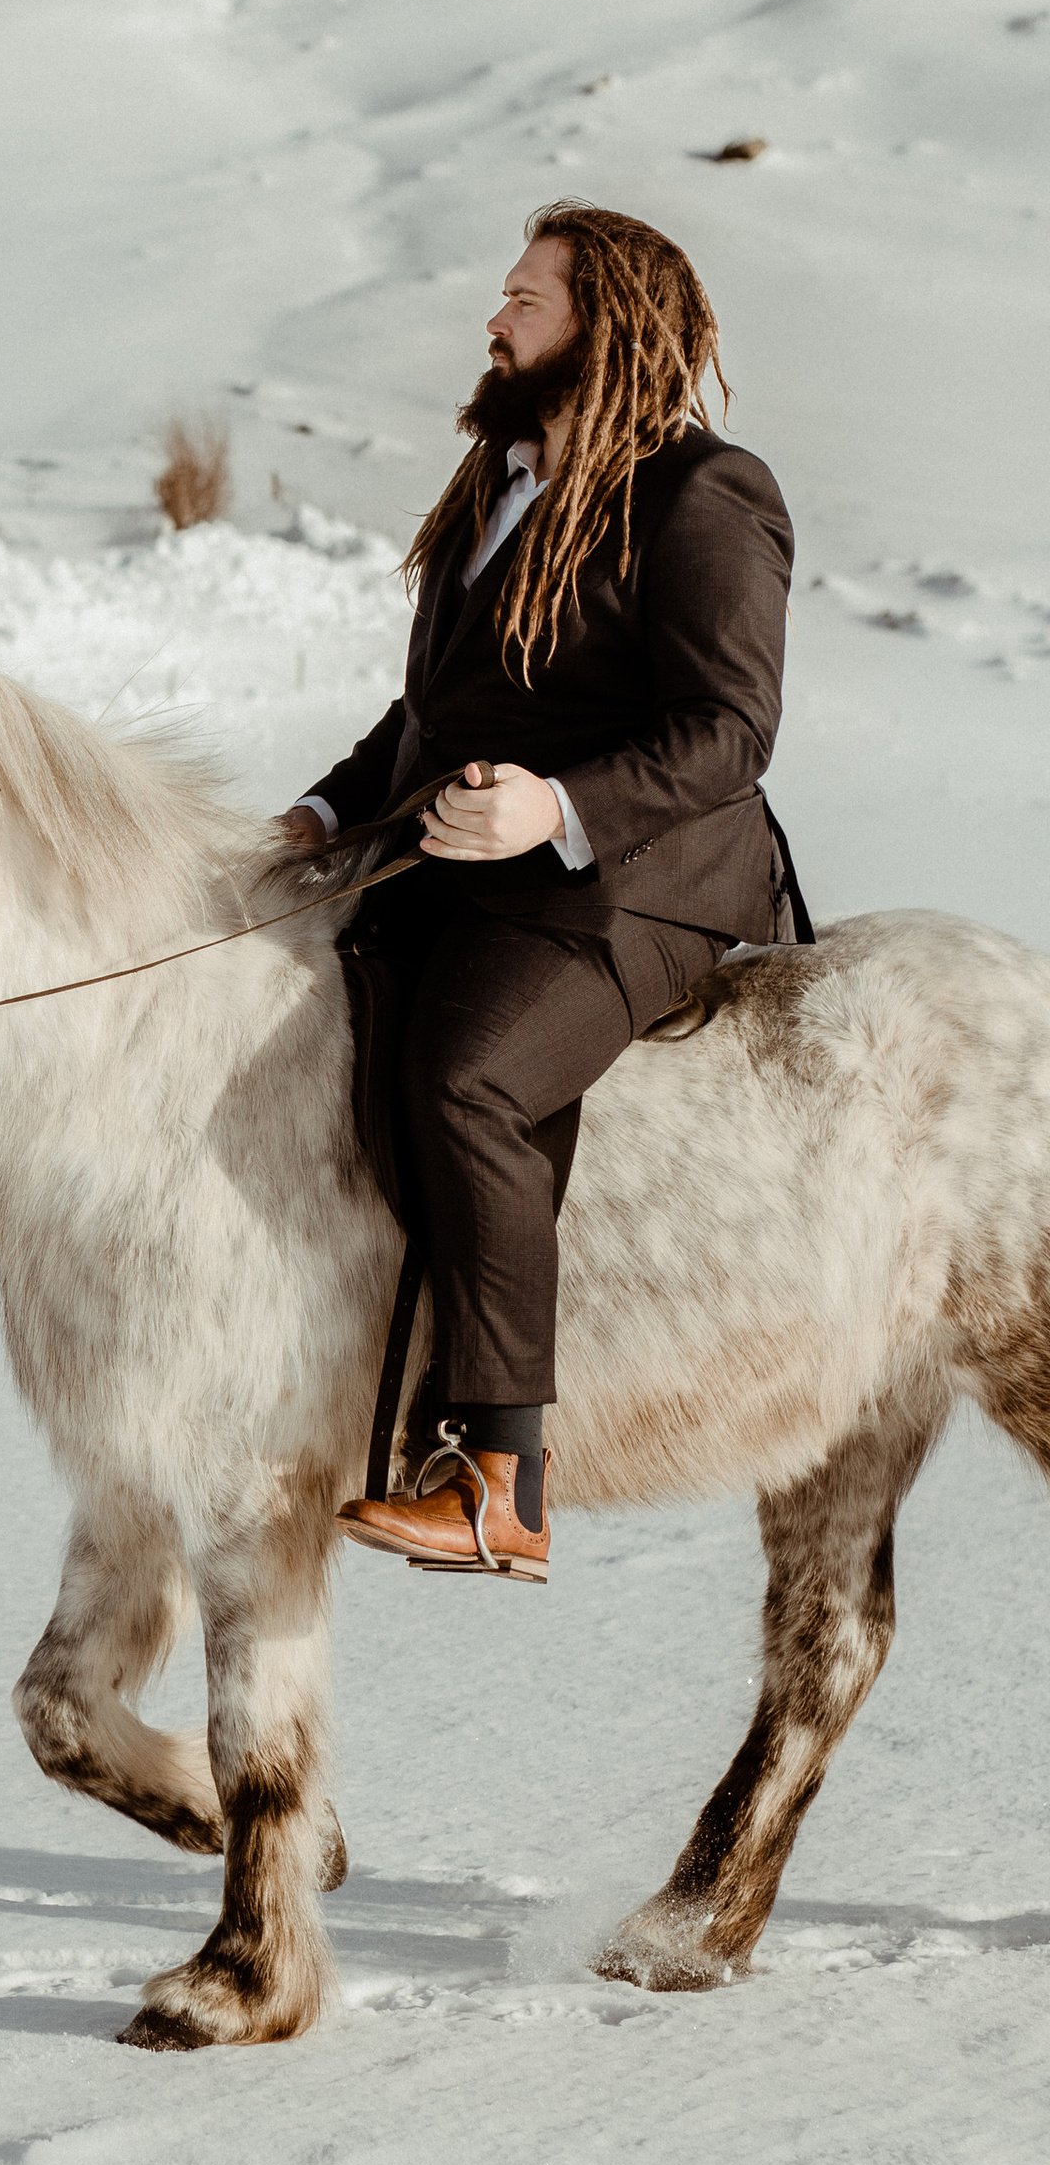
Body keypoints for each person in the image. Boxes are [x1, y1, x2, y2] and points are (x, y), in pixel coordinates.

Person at [285, 202, 794, 1581]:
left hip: (644, 883)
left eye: (526, 298)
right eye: (503, 296)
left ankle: (501, 1476)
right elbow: (430, 717)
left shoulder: (704, 492)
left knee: (468, 1074)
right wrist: (325, 812)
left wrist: (553, 807)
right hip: (476, 867)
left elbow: (730, 730)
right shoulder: (496, 487)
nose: (495, 319)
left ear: (603, 325)